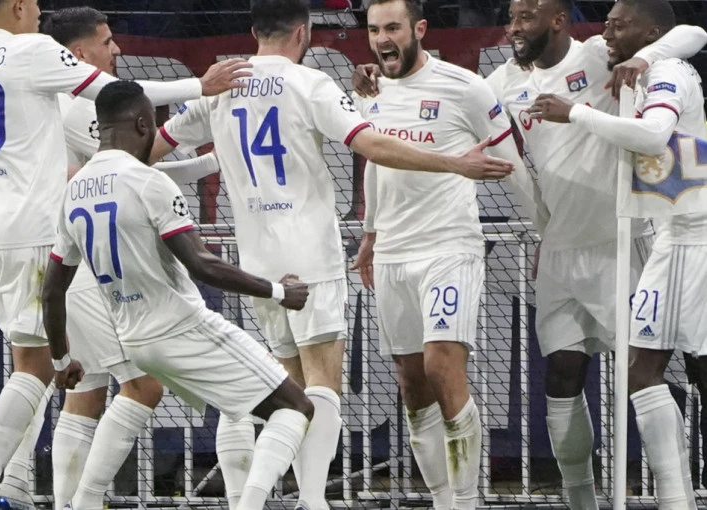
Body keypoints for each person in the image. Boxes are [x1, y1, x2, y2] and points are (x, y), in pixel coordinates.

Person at [146, 1, 515, 509]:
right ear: (303, 33)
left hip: (256, 264)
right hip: (310, 257)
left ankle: (263, 498)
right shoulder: (310, 84)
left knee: (287, 392)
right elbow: (373, 146)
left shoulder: (221, 85)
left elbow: (149, 149)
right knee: (322, 387)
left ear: (254, 30)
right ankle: (310, 499)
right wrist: (453, 163)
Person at [350, 1, 707, 508]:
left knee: (648, 373)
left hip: (621, 241)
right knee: (560, 380)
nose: (513, 28)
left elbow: (691, 33)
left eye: (526, 18)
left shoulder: (598, 56)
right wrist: (380, 79)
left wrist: (645, 57)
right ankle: (580, 500)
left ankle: (677, 496)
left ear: (557, 20)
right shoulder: (502, 83)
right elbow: (442, 96)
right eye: (511, 18)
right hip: (558, 253)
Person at [0, 0, 251, 508]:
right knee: (107, 377)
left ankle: (12, 485)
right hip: (38, 233)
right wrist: (200, 87)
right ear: (19, 6)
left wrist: (210, 160)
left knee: (49, 372)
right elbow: (122, 100)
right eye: (34, 3)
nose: (39, 11)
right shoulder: (36, 55)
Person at [44, 80, 314, 510]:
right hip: (182, 328)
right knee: (296, 406)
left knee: (241, 402)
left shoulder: (72, 192)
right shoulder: (148, 182)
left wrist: (61, 360)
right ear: (142, 124)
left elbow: (52, 289)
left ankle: (85, 502)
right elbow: (201, 264)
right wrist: (279, 291)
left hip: (136, 341)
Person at [22, 8, 221, 509]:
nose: (117, 49)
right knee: (144, 386)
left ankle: (69, 503)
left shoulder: (65, 104)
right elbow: (137, 163)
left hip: (73, 258)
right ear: (79, 53)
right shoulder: (74, 107)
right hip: (83, 267)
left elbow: (137, 170)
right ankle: (84, 501)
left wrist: (215, 160)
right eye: (107, 41)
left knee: (86, 392)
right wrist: (199, 106)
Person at [348, 1, 535, 509]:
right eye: (374, 29)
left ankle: (467, 502)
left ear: (420, 29)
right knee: (411, 383)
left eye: (392, 27)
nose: (382, 39)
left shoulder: (465, 87)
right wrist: (370, 233)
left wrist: (545, 231)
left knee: (441, 366)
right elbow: (375, 164)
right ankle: (442, 500)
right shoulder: (369, 92)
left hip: (449, 246)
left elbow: (511, 164)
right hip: (393, 251)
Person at [529, 0, 707, 507]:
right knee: (642, 367)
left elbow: (653, 135)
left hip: (697, 236)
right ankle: (676, 499)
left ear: (650, 33)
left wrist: (575, 113)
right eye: (605, 23)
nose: (606, 32)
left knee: (691, 368)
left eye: (619, 25)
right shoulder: (638, 71)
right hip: (670, 237)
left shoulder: (667, 72)